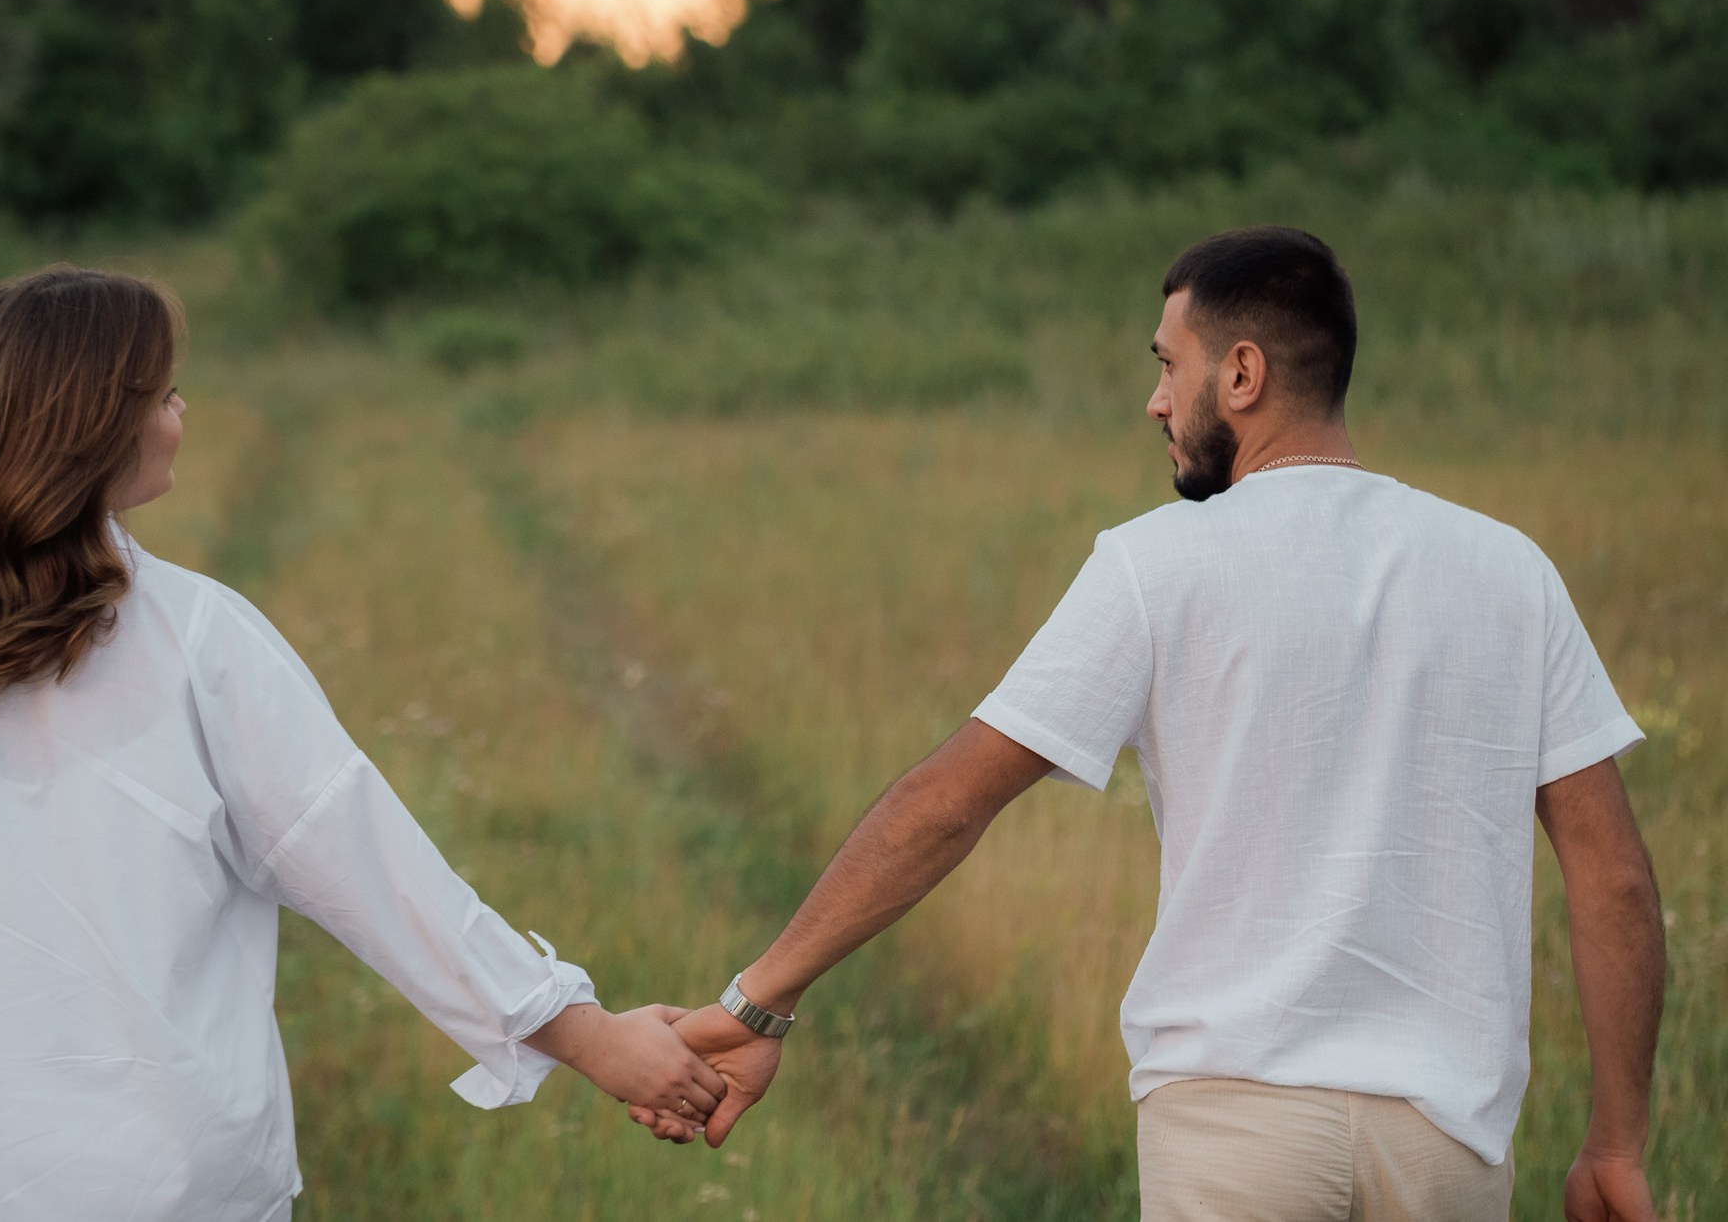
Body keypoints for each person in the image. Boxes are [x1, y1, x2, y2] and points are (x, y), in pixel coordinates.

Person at [643, 228, 1666, 1222]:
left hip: (1230, 1131)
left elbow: (947, 802)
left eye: (1167, 365)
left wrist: (756, 1000)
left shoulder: (1158, 561)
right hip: (1444, 1143)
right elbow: (1611, 876)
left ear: (1242, 374)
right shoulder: (1507, 570)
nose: (1153, 401)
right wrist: (1614, 1144)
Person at [0, 266, 725, 1222]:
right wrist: (593, 1039)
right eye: (159, 391)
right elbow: (377, 871)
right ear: (86, 430)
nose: (180, 410)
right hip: (166, 1182)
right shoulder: (200, 635)